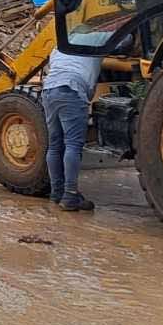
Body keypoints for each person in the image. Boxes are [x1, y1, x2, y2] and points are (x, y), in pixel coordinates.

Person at [43, 47, 103, 212]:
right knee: (73, 145)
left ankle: (57, 192)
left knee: (54, 145)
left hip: (49, 90)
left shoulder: (61, 44)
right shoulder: (99, 38)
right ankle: (70, 195)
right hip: (71, 89)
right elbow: (126, 39)